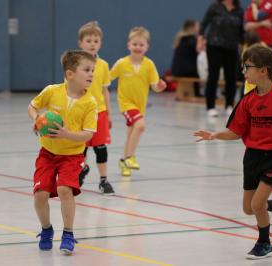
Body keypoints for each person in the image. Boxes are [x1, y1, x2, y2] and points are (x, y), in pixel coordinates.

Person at [194, 45, 272, 259]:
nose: (243, 72)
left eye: (247, 67)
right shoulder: (247, 101)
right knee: (249, 208)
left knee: (257, 204)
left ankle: (264, 243)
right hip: (252, 157)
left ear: (263, 71)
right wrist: (214, 135)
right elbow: (236, 131)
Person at [28, 50, 98, 254]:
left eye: (92, 70)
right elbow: (32, 106)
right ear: (70, 74)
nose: (91, 74)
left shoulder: (90, 103)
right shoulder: (52, 91)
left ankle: (68, 233)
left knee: (64, 190)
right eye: (86, 70)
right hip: (47, 153)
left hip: (72, 156)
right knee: (40, 195)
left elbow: (87, 135)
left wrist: (66, 134)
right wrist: (36, 119)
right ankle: (47, 229)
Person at [110, 26, 167, 176]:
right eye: (135, 44)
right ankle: (130, 157)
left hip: (140, 106)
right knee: (140, 126)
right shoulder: (121, 63)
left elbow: (155, 86)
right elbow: (107, 78)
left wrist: (160, 86)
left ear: (147, 47)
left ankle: (123, 161)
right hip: (126, 104)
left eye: (141, 44)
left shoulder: (149, 65)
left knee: (131, 134)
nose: (137, 47)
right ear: (128, 45)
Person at [77, 21, 115, 195]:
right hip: (80, 113)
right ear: (81, 43)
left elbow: (105, 90)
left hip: (99, 112)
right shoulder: (75, 64)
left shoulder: (104, 65)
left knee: (101, 148)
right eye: (89, 40)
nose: (92, 44)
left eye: (96, 41)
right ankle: (80, 170)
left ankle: (103, 180)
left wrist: (109, 113)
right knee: (80, 148)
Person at [198, 0, 244, 117]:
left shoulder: (238, 10)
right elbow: (204, 24)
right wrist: (200, 39)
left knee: (231, 76)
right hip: (214, 45)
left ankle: (229, 105)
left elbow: (241, 31)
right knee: (213, 75)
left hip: (232, 47)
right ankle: (210, 106)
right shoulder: (215, 6)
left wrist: (243, 46)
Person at [171, 19, 201, 97]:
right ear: (193, 28)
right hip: (184, 71)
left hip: (177, 70)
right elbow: (199, 51)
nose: (199, 28)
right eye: (198, 26)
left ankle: (196, 93)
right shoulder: (191, 40)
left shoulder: (181, 38)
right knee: (201, 72)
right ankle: (197, 93)